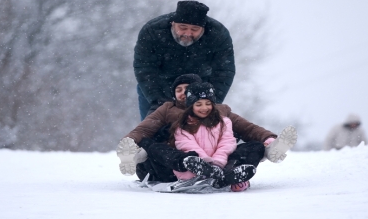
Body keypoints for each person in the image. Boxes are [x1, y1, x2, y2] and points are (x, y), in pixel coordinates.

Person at [116, 74, 297, 192]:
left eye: (186, 89)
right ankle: (133, 154)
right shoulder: (167, 109)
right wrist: (130, 141)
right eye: (178, 90)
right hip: (176, 160)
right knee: (150, 143)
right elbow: (145, 128)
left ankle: (265, 153)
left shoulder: (219, 110)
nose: (182, 93)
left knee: (252, 146)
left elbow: (246, 128)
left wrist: (267, 138)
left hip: (218, 158)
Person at [133, 0, 235, 120]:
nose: (188, 33)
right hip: (158, 84)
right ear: (173, 24)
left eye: (194, 29)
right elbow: (144, 68)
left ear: (203, 28)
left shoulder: (218, 35)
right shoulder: (152, 31)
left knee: (202, 130)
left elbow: (224, 71)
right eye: (183, 27)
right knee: (152, 128)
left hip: (199, 87)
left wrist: (210, 99)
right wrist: (158, 100)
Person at [170, 82, 256, 188]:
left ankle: (226, 177)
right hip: (195, 167)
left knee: (255, 146)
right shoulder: (182, 125)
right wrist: (206, 164)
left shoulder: (224, 122)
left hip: (221, 165)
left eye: (208, 103)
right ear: (190, 106)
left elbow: (227, 143)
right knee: (187, 162)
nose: (204, 108)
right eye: (198, 104)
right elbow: (187, 145)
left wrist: (217, 164)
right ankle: (222, 179)